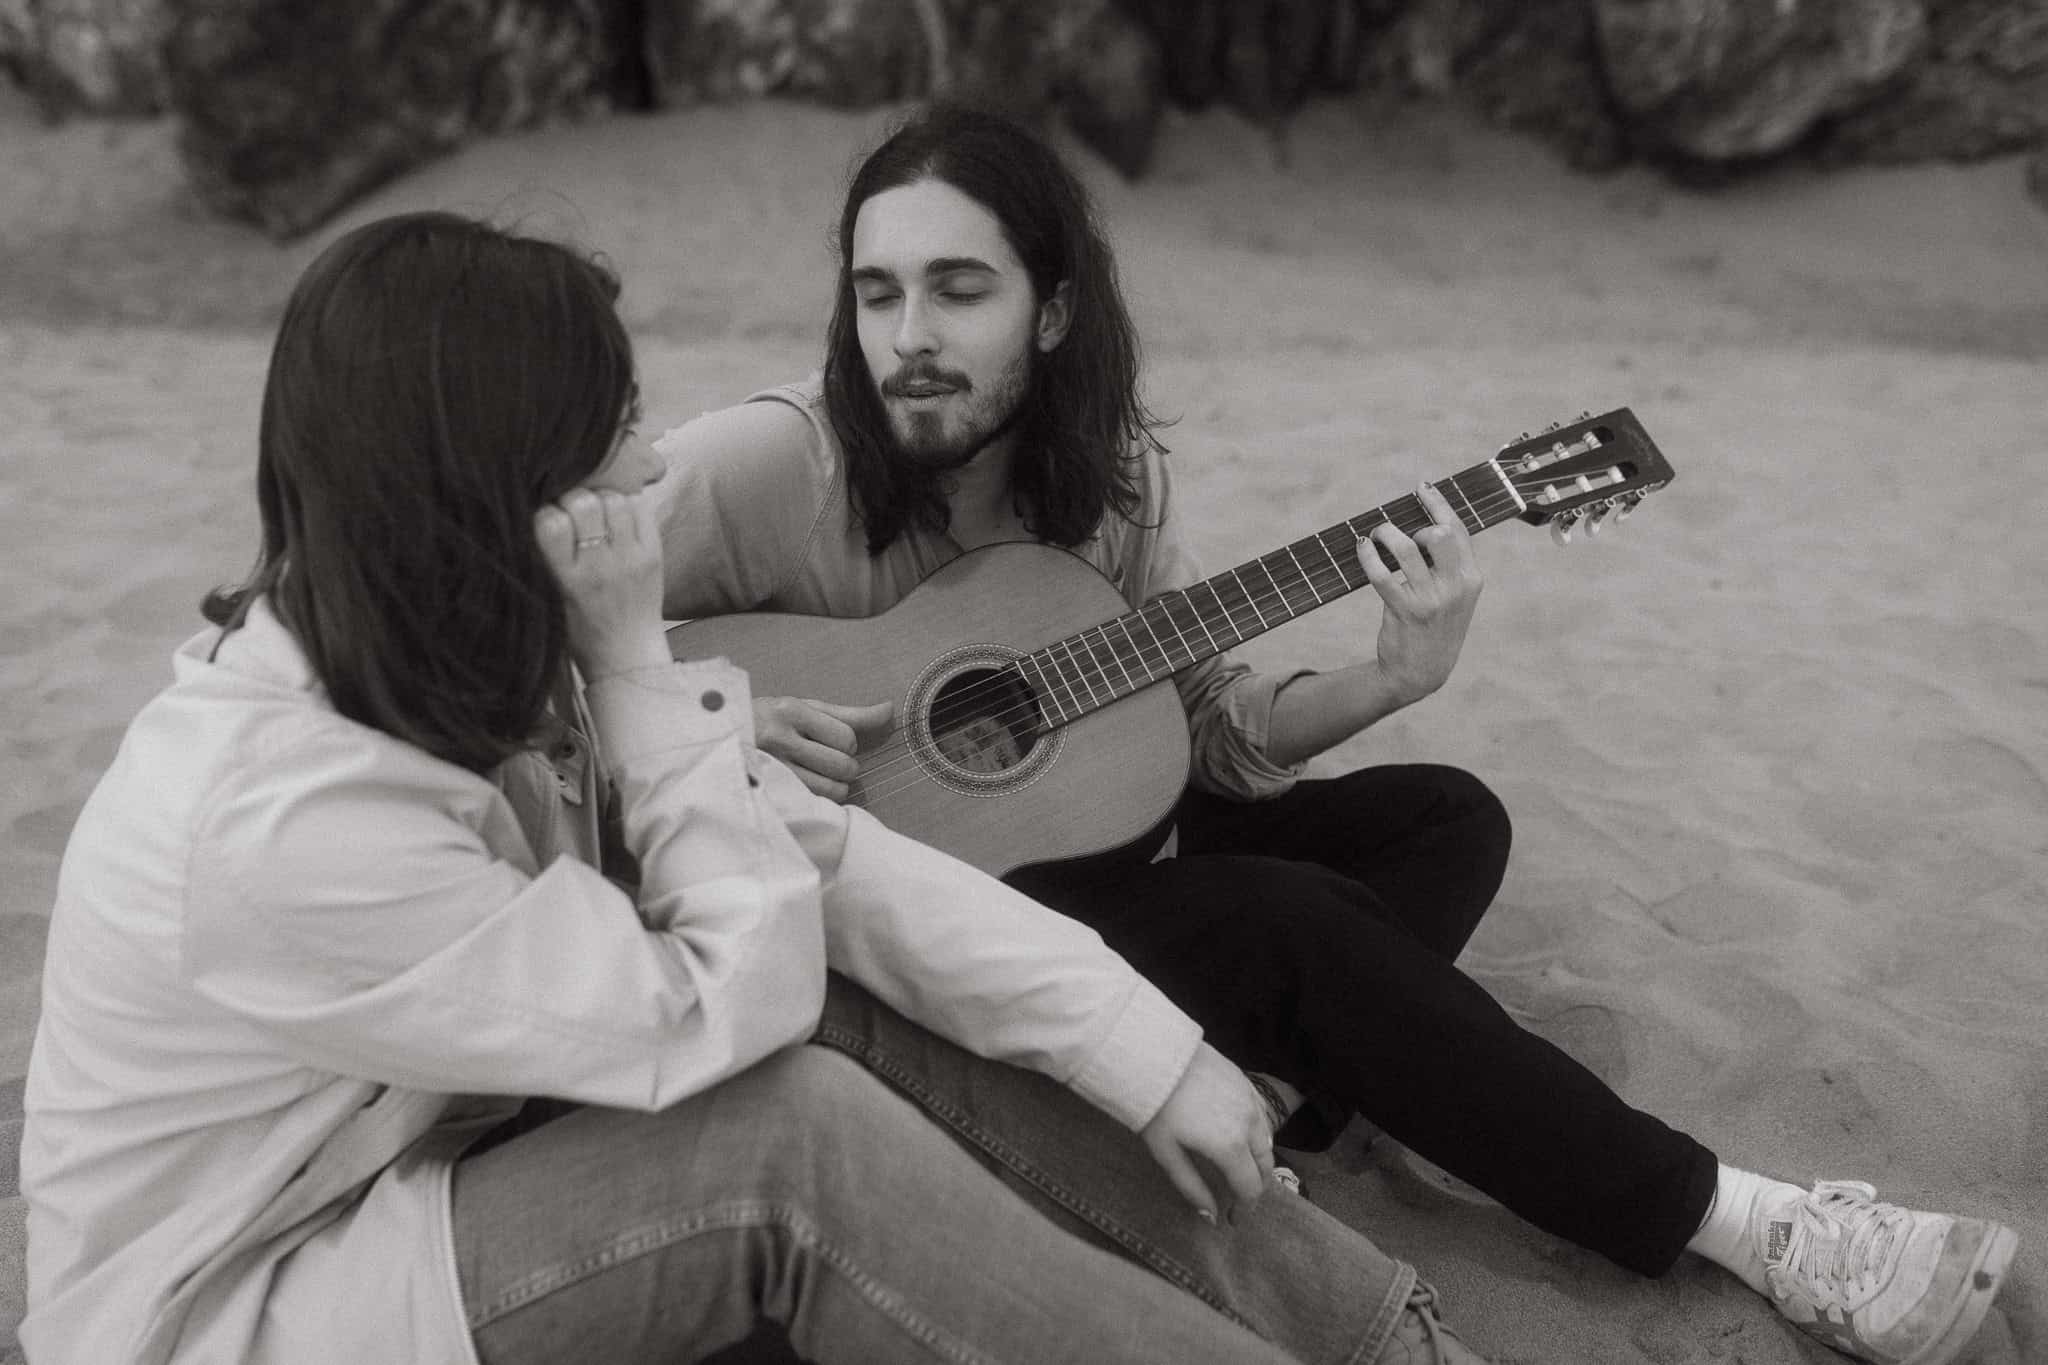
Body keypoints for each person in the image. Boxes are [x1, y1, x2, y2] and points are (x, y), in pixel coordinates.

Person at [650, 102, 2019, 1365]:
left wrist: (1389, 674)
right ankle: (1741, 1215)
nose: (909, 336)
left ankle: (1262, 1072)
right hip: (886, 939)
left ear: (1055, 310)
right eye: (877, 291)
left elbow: (1201, 729)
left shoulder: (1110, 488)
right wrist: (723, 715)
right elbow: (501, 639)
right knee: (1291, 920)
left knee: (1445, 817)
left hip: (1086, 844)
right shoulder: (774, 464)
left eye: (958, 288)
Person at [18, 211, 1494, 1364]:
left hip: (418, 1175)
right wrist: (640, 673)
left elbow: (821, 866)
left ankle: (1387, 1344)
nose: (655, 464)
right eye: (613, 437)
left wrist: (1142, 1047)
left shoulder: (451, 654)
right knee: (791, 1137)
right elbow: (739, 998)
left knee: (869, 1003)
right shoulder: (284, 816)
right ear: (502, 499)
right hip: (245, 1309)